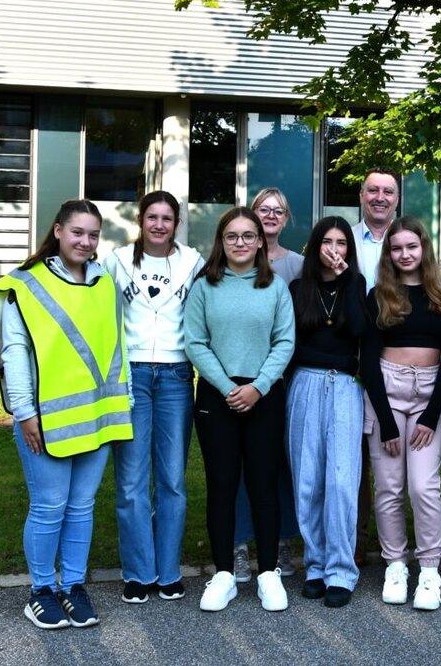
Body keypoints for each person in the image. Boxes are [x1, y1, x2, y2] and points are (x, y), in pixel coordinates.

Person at [0, 199, 133, 630]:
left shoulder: (105, 284)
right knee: (50, 507)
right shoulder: (26, 285)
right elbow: (14, 354)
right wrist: (24, 412)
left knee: (81, 508)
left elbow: (115, 349)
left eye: (93, 235)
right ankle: (40, 592)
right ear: (57, 231)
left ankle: (72, 587)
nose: (86, 242)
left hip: (98, 416)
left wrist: (122, 405)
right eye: (77, 232)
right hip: (44, 421)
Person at [185, 207, 296, 612]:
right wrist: (229, 387)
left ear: (259, 241)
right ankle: (224, 575)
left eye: (248, 236)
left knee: (264, 484)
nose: (241, 243)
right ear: (221, 240)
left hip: (264, 396)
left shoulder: (274, 287)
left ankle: (268, 573)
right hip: (218, 395)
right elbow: (195, 342)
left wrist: (258, 387)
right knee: (222, 485)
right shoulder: (205, 286)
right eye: (232, 236)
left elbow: (285, 341)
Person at [103, 191, 203, 604]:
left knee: (172, 480)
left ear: (176, 223)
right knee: (130, 481)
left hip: (177, 376)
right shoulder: (117, 261)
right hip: (134, 376)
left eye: (167, 218)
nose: (159, 225)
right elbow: (104, 318)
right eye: (152, 217)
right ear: (140, 221)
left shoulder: (192, 262)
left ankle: (168, 571)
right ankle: (138, 572)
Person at [361, 217, 441, 611]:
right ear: (390, 254)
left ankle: (430, 568)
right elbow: (367, 361)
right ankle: (395, 565)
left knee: (423, 485)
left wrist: (432, 414)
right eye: (397, 248)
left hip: (429, 392)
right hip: (386, 390)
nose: (405, 254)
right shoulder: (378, 296)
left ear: (424, 249)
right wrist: (385, 420)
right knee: (388, 485)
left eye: (411, 247)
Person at [287, 216, 368, 608]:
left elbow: (356, 333)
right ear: (315, 245)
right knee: (308, 480)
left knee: (340, 481)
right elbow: (293, 348)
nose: (334, 250)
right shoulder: (298, 288)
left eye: (342, 243)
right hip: (304, 385)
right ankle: (315, 564)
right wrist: (328, 358)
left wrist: (349, 278)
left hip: (346, 391)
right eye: (327, 242)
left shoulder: (356, 285)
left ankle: (341, 570)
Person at [230, 187, 304, 582]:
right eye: (264, 209)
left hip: (287, 378)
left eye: (279, 210)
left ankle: (280, 541)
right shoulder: (234, 262)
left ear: (286, 218)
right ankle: (240, 543)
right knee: (241, 462)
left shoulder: (299, 265)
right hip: (242, 379)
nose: (271, 215)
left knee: (280, 462)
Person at [350, 167, 401, 567]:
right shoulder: (343, 239)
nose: (380, 197)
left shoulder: (408, 242)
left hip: (397, 360)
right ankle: (354, 543)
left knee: (391, 454)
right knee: (352, 458)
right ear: (362, 196)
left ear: (396, 199)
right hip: (349, 357)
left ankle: (395, 547)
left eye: (387, 191)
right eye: (373, 190)